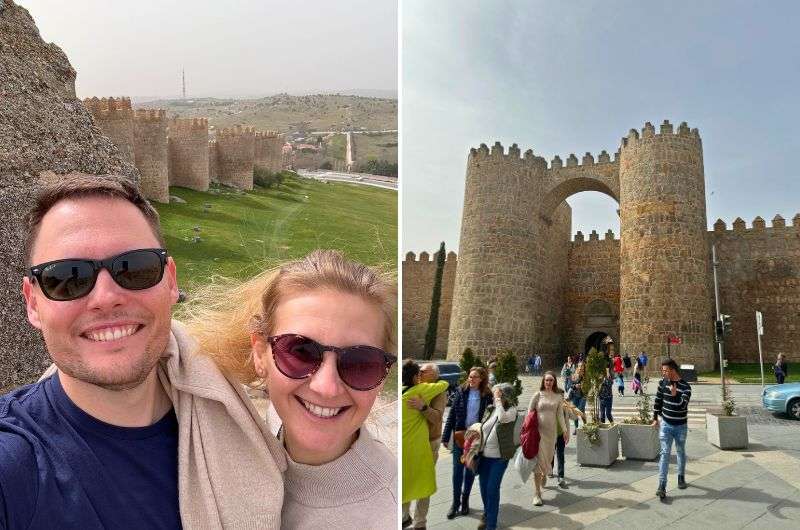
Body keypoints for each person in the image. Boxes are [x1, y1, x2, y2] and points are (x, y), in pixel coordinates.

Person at [1, 175, 285, 529]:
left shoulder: (236, 418)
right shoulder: (12, 462)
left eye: (134, 268)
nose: (106, 297)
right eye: (68, 278)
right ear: (32, 303)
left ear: (170, 281)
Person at [188, 249, 399, 528]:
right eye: (300, 352)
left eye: (360, 363)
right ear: (260, 354)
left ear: (383, 375)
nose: (326, 387)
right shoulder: (239, 425)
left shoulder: (387, 515)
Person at [441, 367, 492, 519]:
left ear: (481, 379)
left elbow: (489, 418)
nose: (471, 380)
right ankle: (455, 502)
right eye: (470, 377)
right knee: (457, 472)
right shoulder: (461, 391)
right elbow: (452, 414)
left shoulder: (487, 395)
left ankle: (465, 500)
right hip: (460, 436)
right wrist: (445, 436)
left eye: (475, 377)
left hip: (476, 438)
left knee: (469, 471)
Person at [402, 362, 448, 529]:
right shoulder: (414, 389)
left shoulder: (438, 392)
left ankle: (420, 522)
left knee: (424, 483)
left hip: (429, 442)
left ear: (434, 375)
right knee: (408, 478)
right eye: (419, 371)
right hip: (413, 443)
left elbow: (437, 418)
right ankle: (403, 516)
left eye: (424, 371)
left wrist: (423, 407)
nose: (420, 373)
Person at [477, 383, 518, 530]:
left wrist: (499, 401)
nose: (494, 397)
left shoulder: (511, 410)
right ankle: (488, 516)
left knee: (492, 489)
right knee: (483, 489)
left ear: (504, 396)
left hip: (499, 458)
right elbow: (482, 428)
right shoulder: (491, 409)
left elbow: (502, 418)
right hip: (484, 457)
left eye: (497, 394)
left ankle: (491, 526)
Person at [652, 358, 692, 499]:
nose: (663, 373)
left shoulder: (686, 387)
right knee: (664, 454)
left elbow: (683, 406)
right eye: (662, 370)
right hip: (666, 425)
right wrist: (655, 418)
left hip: (681, 425)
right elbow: (658, 401)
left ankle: (681, 477)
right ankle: (662, 485)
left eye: (665, 370)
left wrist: (675, 396)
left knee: (680, 451)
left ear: (672, 370)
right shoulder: (663, 384)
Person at [528, 371, 567, 506]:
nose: (549, 383)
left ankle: (544, 474)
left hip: (552, 435)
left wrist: (566, 431)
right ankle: (537, 493)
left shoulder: (558, 397)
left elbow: (560, 415)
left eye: (551, 380)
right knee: (538, 462)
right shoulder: (537, 395)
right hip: (538, 434)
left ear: (554, 382)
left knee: (549, 459)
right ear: (543, 381)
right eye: (546, 380)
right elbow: (529, 413)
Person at [569, 362, 587, 434]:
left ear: (584, 367)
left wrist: (583, 386)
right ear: (577, 367)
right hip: (575, 396)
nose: (580, 367)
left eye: (582, 366)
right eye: (579, 366)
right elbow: (570, 385)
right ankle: (576, 428)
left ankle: (585, 426)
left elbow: (588, 385)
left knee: (581, 410)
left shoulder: (586, 376)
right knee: (574, 412)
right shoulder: (574, 375)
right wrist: (575, 386)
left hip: (583, 396)